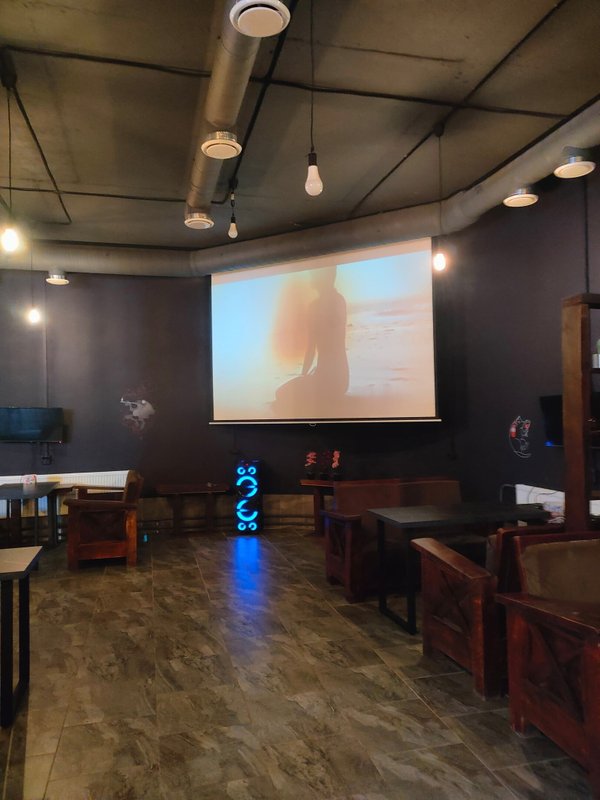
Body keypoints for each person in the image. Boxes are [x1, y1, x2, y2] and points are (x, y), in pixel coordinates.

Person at [275, 266, 349, 416]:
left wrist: (304, 376)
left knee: (281, 394)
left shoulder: (316, 307)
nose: (310, 277)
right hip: (342, 379)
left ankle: (319, 396)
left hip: (326, 379)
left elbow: (311, 348)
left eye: (312, 274)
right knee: (292, 393)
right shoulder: (339, 300)